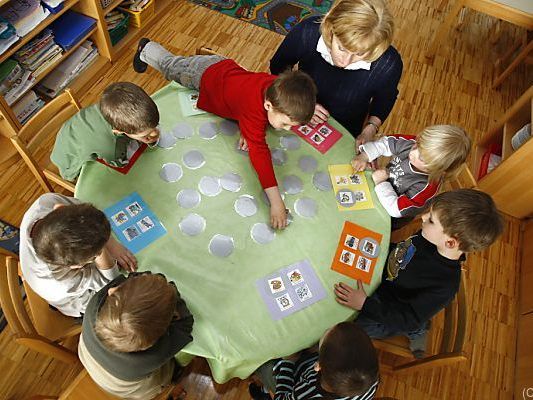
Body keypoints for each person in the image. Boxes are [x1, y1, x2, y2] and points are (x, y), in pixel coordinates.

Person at [133, 39, 317, 229]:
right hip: (200, 74)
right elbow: (259, 154)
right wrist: (276, 201)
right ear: (268, 105)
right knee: (170, 66)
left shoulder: (277, 86)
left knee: (186, 64)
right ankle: (146, 49)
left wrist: (248, 127)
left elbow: (257, 109)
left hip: (225, 69)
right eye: (285, 123)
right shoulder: (254, 108)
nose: (287, 129)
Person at [334, 189, 504, 357]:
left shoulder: (444, 286)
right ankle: (420, 326)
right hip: (385, 283)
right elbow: (402, 251)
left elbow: (407, 319)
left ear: (450, 242)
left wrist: (365, 304)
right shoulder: (429, 237)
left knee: (346, 325)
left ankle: (418, 332)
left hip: (388, 312)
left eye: (430, 220)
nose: (422, 217)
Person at [270, 0, 402, 144]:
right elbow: (279, 66)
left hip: (348, 125)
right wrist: (302, 103)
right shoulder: (308, 32)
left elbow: (384, 100)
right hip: (297, 108)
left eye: (360, 53)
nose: (345, 62)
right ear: (330, 29)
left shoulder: (389, 63)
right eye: (341, 48)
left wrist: (371, 128)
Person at [78, 272, 194, 399]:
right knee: (167, 372)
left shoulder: (94, 305)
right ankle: (170, 381)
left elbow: (128, 278)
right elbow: (186, 324)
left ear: (112, 292)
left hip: (90, 362)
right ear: (157, 339)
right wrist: (171, 291)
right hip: (134, 389)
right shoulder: (151, 357)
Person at [19, 193, 137, 317]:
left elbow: (81, 210)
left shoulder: (45, 202)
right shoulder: (59, 280)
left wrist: (108, 241)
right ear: (76, 266)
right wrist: (101, 248)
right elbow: (110, 282)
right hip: (81, 301)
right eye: (95, 254)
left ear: (60, 208)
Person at [351, 125, 471, 224]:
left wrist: (381, 182)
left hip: (391, 216)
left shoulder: (427, 187)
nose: (412, 153)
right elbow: (386, 143)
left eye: (422, 158)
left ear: (438, 170)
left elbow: (396, 209)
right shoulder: (421, 146)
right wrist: (364, 156)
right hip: (380, 185)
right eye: (417, 144)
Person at [51, 82, 161, 181]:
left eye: (155, 126)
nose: (155, 134)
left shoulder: (111, 107)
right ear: (118, 131)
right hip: (70, 163)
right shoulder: (110, 147)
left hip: (72, 133)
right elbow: (118, 165)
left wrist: (144, 136)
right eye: (146, 135)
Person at [249, 321, 379, 399]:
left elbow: (282, 398)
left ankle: (264, 392)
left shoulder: (306, 392)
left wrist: (288, 361)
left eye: (327, 332)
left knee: (261, 362)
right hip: (319, 369)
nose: (330, 327)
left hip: (293, 380)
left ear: (317, 366)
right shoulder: (370, 378)